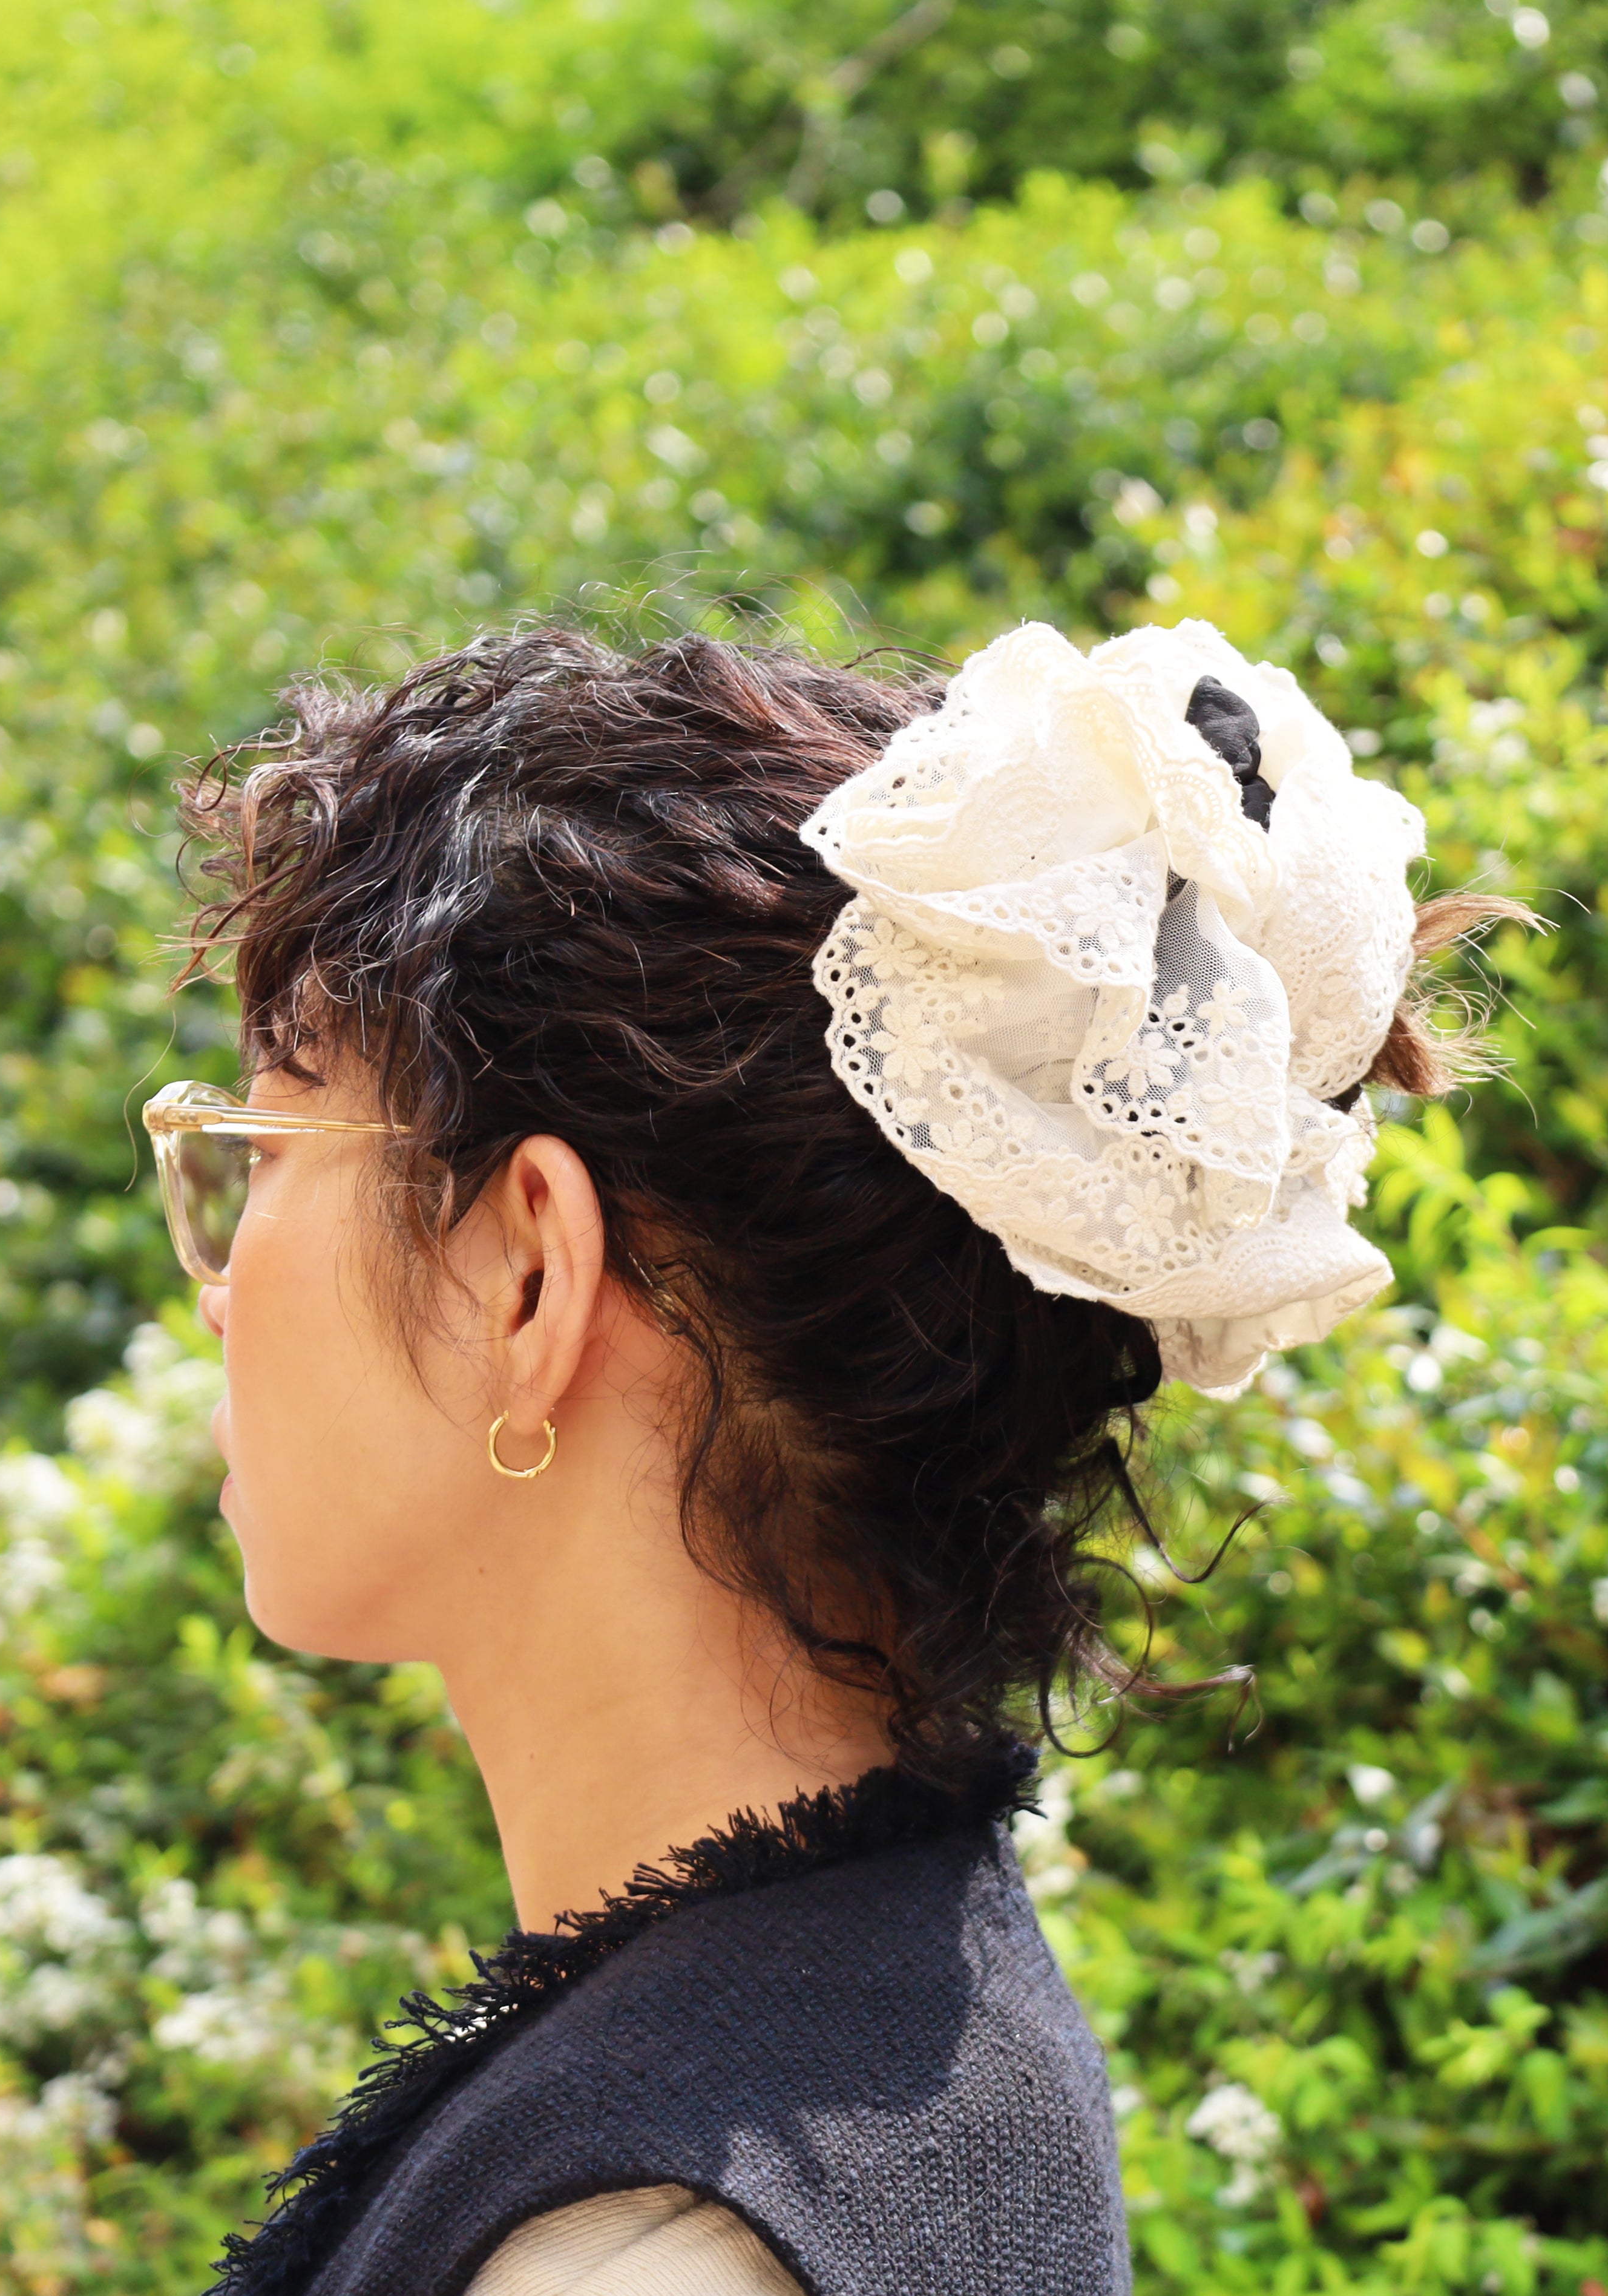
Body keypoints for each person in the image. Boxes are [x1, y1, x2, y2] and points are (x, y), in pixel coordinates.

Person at [142, 620, 1526, 2296]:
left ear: (530, 1274)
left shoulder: (653, 2259)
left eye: (266, 1142)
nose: (215, 1288)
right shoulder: (907, 2030)